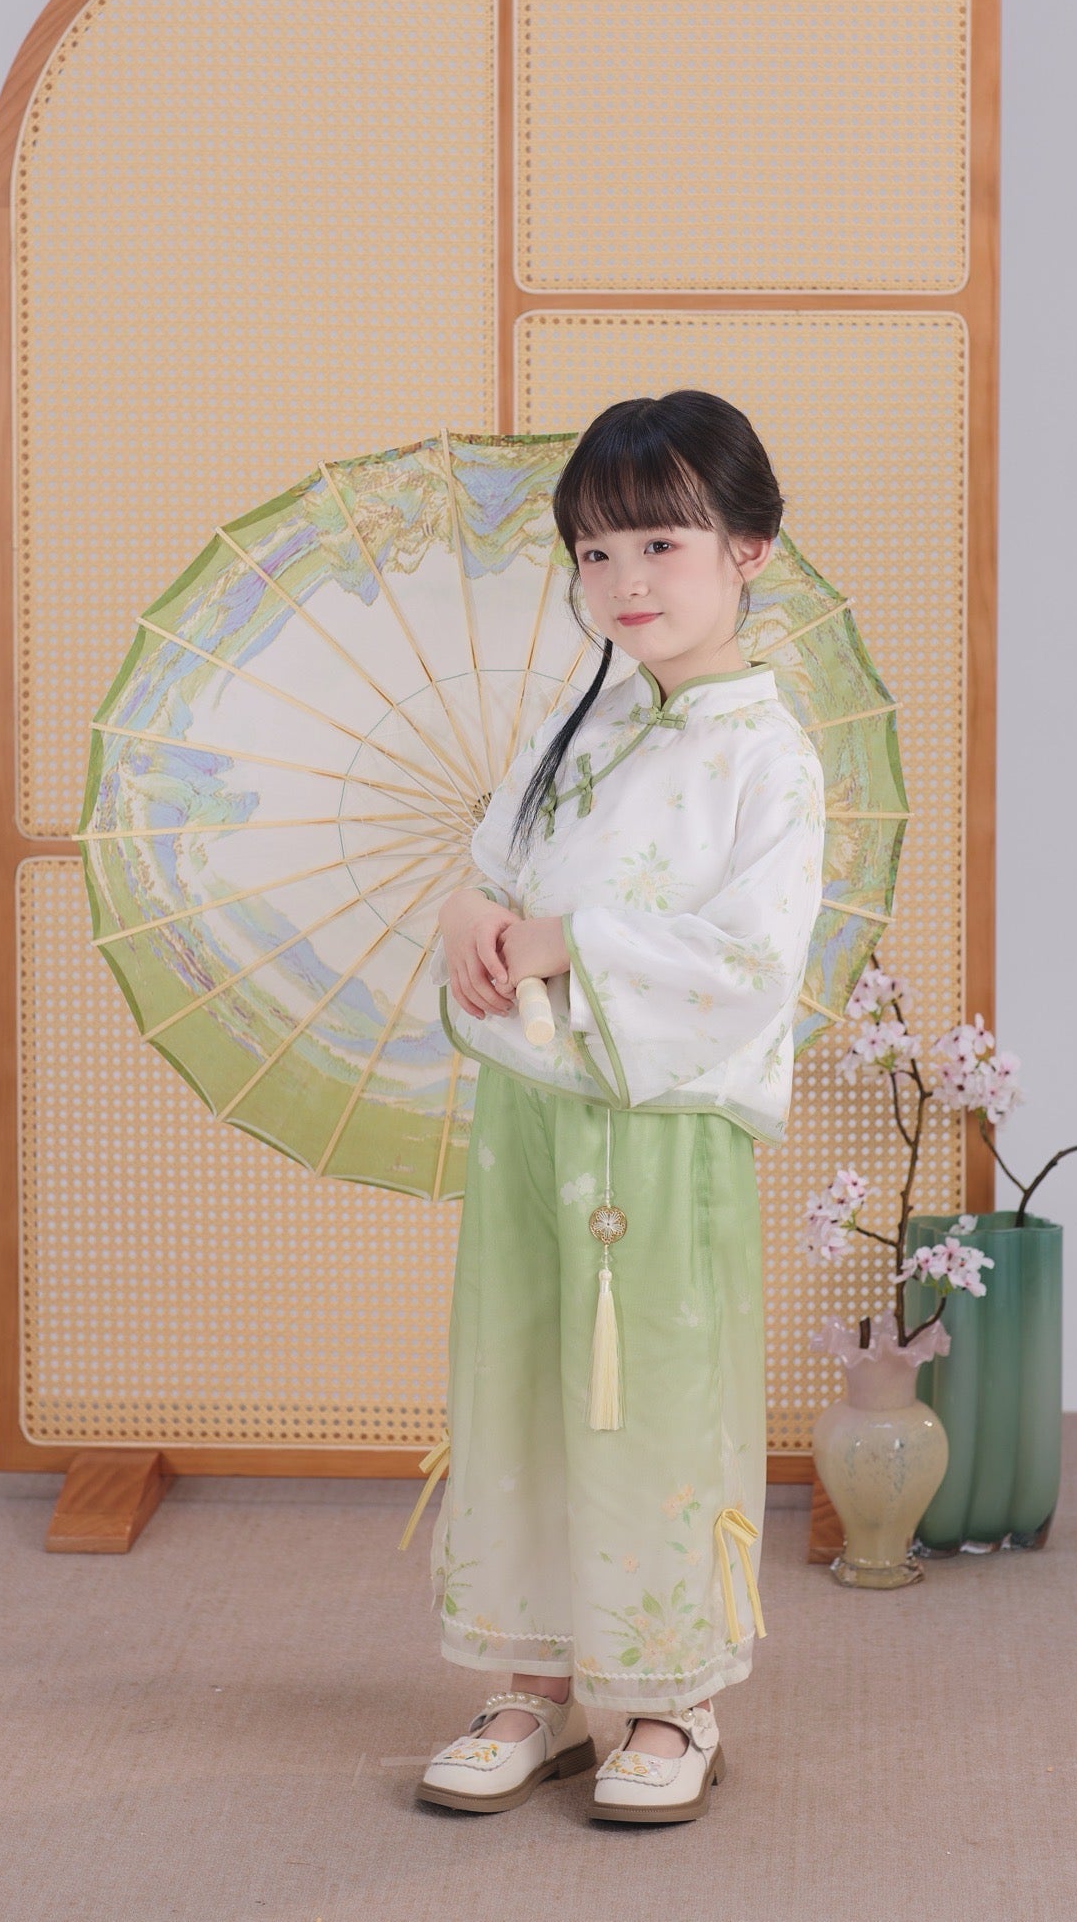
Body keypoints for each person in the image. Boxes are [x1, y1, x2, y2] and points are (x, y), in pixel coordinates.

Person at [406, 390, 826, 1824]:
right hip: (535, 1119)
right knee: (516, 1383)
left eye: (662, 541)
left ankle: (666, 1692)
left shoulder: (766, 756)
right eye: (594, 553)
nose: (626, 583)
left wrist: (576, 944)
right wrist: (476, 907)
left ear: (751, 546)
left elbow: (753, 964)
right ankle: (528, 1677)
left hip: (659, 1133)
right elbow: (495, 862)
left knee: (648, 1394)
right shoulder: (575, 726)